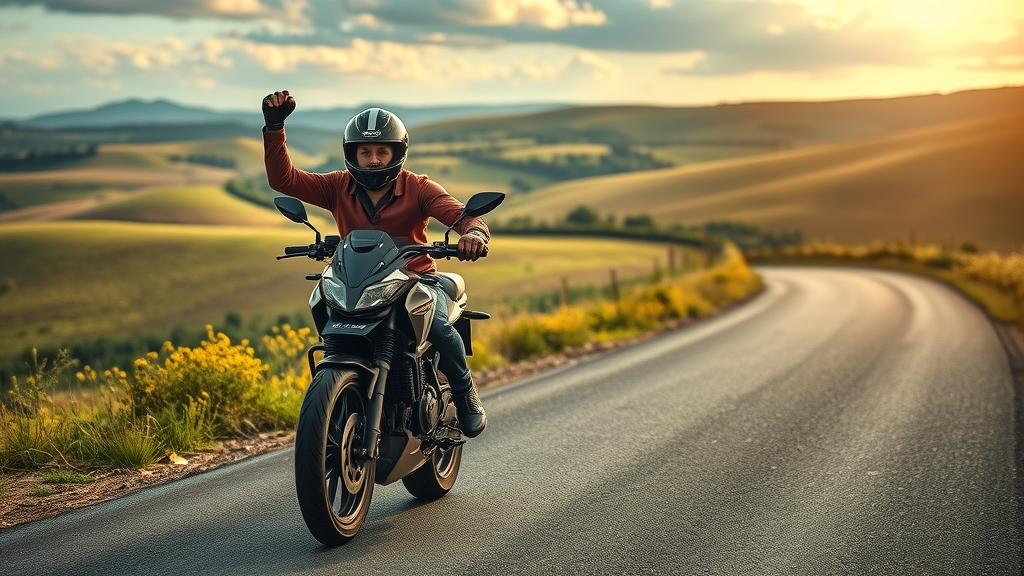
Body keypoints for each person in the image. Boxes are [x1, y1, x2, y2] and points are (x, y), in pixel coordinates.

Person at [261, 90, 488, 437]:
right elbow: (285, 181)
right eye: (364, 152)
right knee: (324, 308)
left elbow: (463, 216)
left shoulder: (419, 187)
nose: (373, 160)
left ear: (397, 153)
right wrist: (274, 127)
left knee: (440, 327)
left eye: (382, 152)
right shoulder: (337, 186)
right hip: (358, 280)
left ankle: (466, 394)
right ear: (352, 153)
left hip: (416, 280)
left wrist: (474, 235)